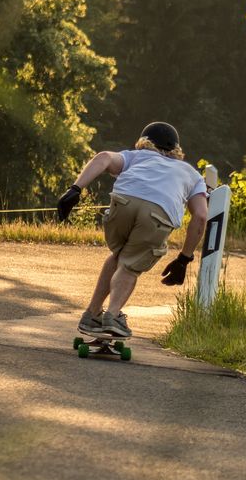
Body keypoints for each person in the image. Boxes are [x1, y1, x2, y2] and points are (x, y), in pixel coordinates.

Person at [56, 122, 208, 338]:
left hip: (122, 203)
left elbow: (103, 158)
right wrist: (184, 259)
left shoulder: (136, 156)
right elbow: (201, 216)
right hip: (157, 215)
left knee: (120, 256)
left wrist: (75, 189)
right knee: (129, 266)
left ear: (144, 142)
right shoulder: (191, 174)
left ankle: (92, 313)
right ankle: (113, 316)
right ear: (176, 150)